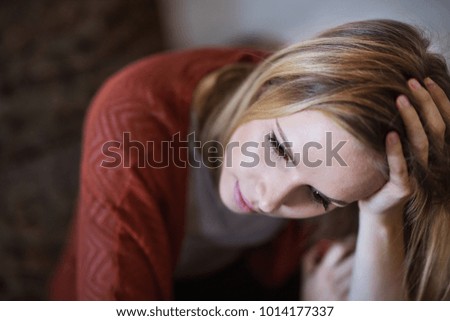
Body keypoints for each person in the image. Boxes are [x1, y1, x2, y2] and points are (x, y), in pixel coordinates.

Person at [50, 19, 450, 300]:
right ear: (273, 83)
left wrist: (382, 216)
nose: (271, 201)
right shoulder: (131, 119)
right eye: (278, 148)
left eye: (317, 195)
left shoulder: (357, 165)